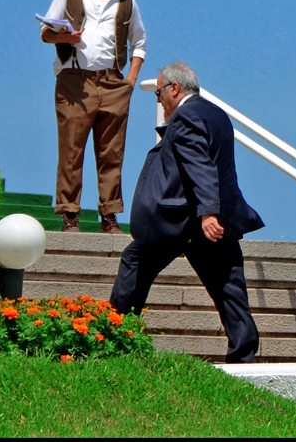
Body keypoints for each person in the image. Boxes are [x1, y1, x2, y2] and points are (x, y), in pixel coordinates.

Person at [110, 61, 264, 363]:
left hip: (184, 221)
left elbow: (200, 166)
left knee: (135, 261)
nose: (159, 101)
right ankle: (244, 356)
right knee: (229, 287)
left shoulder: (187, 117)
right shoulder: (216, 114)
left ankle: (114, 336)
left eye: (158, 94)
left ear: (174, 89)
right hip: (209, 221)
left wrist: (207, 213)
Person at [41, 0, 147, 234]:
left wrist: (129, 81)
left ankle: (110, 217)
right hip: (74, 79)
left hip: (112, 82)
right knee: (71, 149)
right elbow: (45, 33)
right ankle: (69, 215)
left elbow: (140, 44)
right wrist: (64, 37)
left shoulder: (127, 1)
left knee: (112, 153)